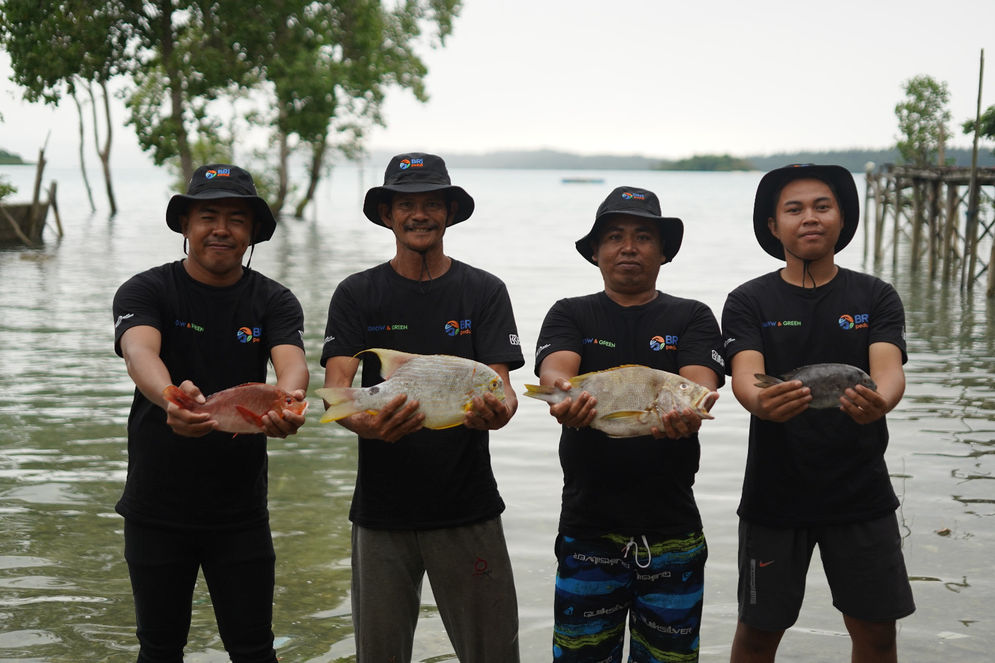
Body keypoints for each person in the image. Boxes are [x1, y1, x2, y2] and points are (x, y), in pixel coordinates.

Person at [320, 152, 523, 662]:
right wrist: (369, 425)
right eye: (406, 204)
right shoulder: (357, 293)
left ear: (449, 213)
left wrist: (500, 412)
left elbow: (502, 388)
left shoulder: (484, 291)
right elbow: (337, 389)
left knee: (494, 654)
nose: (420, 214)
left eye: (433, 203)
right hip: (381, 512)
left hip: (468, 505)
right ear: (387, 215)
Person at [112, 164, 309, 663]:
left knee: (253, 650)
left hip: (240, 513)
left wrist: (289, 403)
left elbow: (292, 364)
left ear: (251, 234)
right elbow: (139, 352)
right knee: (158, 650)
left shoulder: (274, 300)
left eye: (236, 219)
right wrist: (171, 399)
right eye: (208, 215)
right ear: (185, 225)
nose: (221, 228)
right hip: (155, 509)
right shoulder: (146, 290)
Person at [721, 164, 916, 662]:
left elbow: (888, 371)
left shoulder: (875, 297)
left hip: (862, 495)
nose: (809, 218)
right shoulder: (748, 300)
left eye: (821, 206)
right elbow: (746, 374)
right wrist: (759, 401)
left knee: (876, 634)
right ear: (773, 226)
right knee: (758, 633)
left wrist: (882, 403)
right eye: (794, 209)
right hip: (774, 496)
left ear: (841, 218)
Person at [534, 186, 724, 663]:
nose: (629, 247)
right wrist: (560, 395)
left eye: (643, 237)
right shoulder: (570, 312)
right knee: (581, 656)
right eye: (614, 237)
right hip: (587, 528)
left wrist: (691, 410)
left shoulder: (693, 315)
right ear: (596, 252)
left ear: (662, 252)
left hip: (673, 530)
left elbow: (698, 384)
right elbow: (556, 372)